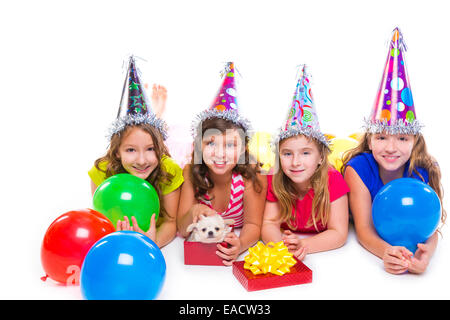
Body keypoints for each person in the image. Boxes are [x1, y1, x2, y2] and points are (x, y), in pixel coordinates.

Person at [342, 28, 446, 274]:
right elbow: (364, 230)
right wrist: (386, 252)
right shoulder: (357, 170)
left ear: (414, 141)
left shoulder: (424, 171)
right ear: (369, 141)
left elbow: (430, 228)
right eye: (381, 137)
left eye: (402, 137)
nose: (391, 147)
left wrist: (424, 256)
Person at [177, 62, 267, 266]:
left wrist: (241, 243)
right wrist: (193, 211)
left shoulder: (251, 175)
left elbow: (253, 224)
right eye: (210, 143)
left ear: (243, 148)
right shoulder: (191, 171)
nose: (220, 154)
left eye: (230, 145)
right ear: (198, 146)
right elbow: (182, 229)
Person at [88, 56, 183, 248]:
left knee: (168, 140)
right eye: (130, 150)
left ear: (160, 149)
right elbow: (101, 218)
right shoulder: (102, 170)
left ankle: (156, 112)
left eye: (151, 149)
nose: (141, 160)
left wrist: (150, 242)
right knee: (142, 135)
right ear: (116, 152)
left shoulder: (169, 171)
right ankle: (155, 113)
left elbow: (171, 222)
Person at [261, 65, 349, 260]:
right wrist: (280, 248)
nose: (295, 162)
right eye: (287, 154)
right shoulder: (274, 178)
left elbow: (339, 233)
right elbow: (268, 223)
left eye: (306, 153)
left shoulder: (333, 180)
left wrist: (303, 245)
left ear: (320, 157)